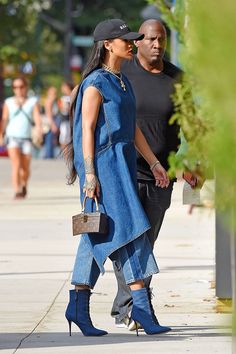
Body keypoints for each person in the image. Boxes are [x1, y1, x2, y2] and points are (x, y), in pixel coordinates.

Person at [64, 18, 171, 337]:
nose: (131, 43)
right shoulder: (96, 83)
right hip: (103, 165)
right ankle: (140, 304)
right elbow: (86, 130)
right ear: (108, 45)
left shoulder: (122, 81)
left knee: (96, 234)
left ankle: (78, 305)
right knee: (130, 229)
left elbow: (132, 127)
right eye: (126, 39)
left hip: (122, 162)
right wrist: (90, 174)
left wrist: (153, 162)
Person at [110, 19, 188, 329]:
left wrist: (193, 163)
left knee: (147, 243)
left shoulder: (178, 78)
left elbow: (189, 123)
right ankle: (135, 306)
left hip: (161, 175)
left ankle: (125, 306)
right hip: (125, 170)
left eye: (162, 40)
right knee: (129, 240)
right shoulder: (122, 74)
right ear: (139, 42)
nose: (158, 45)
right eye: (152, 39)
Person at [0, 77, 42, 199]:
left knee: (26, 168)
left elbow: (37, 118)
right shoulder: (8, 102)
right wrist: (1, 135)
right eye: (15, 87)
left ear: (25, 87)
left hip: (27, 138)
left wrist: (39, 130)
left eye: (21, 87)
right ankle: (17, 190)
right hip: (12, 137)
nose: (18, 89)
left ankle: (24, 183)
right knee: (16, 165)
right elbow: (4, 119)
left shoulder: (32, 101)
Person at [42, 86, 60, 159]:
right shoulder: (49, 101)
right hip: (50, 123)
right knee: (49, 140)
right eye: (53, 93)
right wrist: (53, 125)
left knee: (52, 140)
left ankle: (50, 155)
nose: (55, 94)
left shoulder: (54, 101)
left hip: (54, 121)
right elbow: (49, 114)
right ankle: (49, 156)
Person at [58, 82, 73, 151]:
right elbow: (61, 108)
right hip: (64, 119)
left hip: (71, 119)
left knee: (69, 136)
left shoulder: (72, 96)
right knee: (64, 136)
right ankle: (64, 151)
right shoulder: (63, 98)